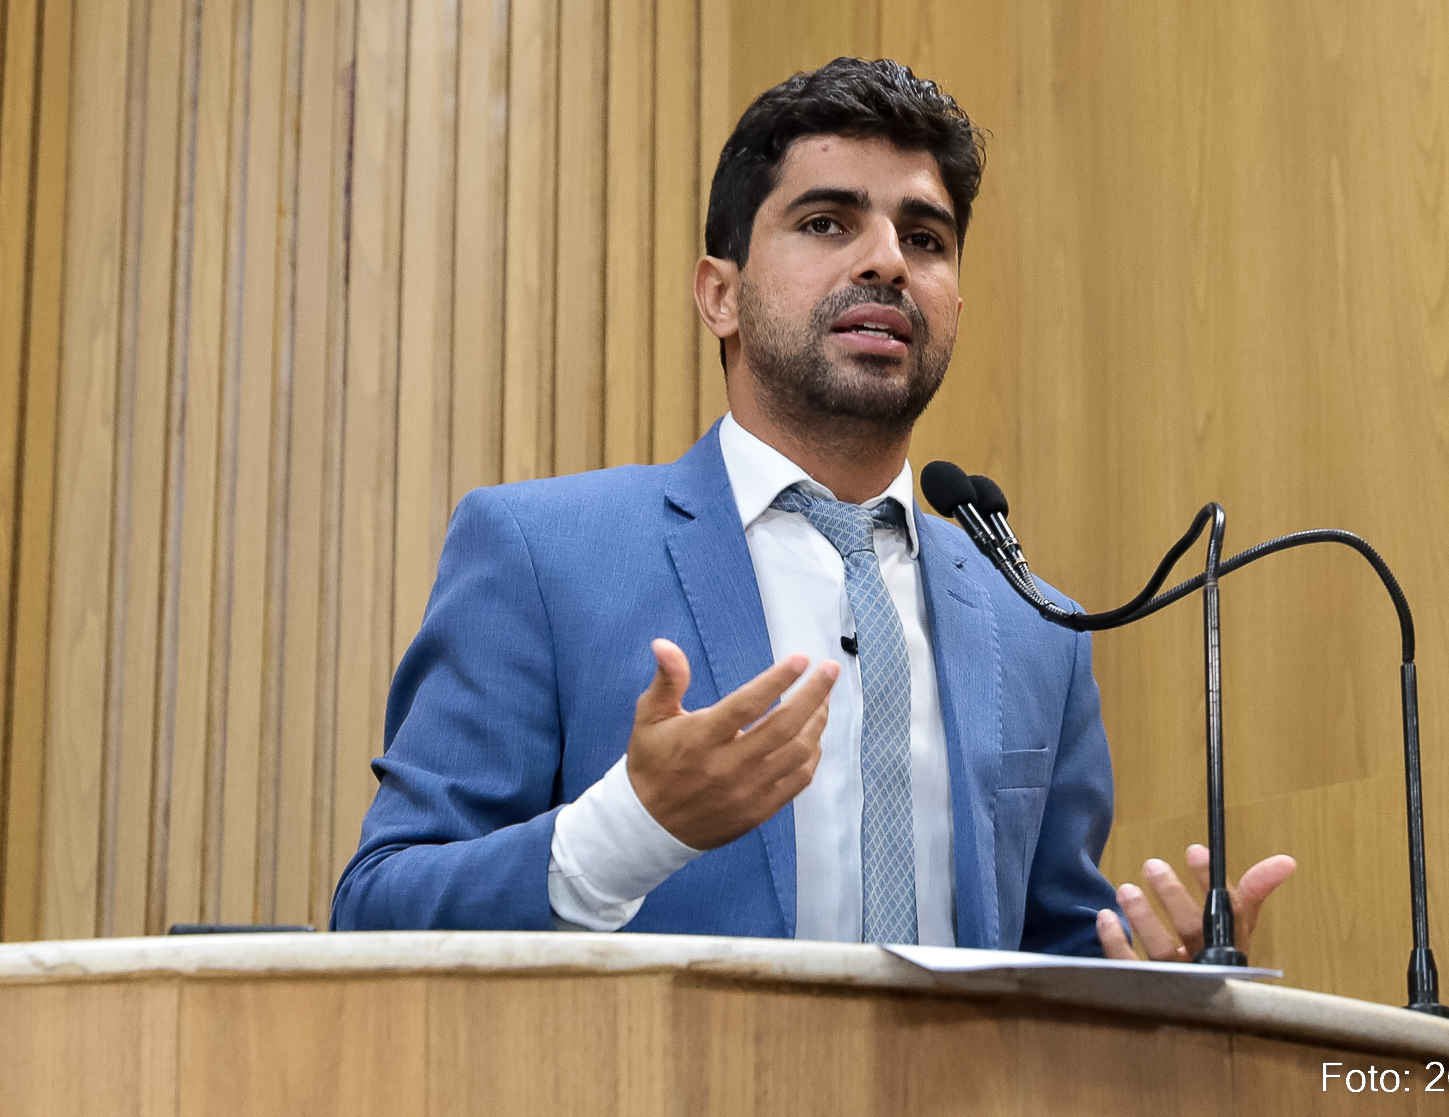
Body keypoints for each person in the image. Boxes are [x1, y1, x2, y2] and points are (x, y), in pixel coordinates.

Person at [332, 57, 1294, 958]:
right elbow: (377, 911)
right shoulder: (540, 555)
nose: (887, 261)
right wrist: (628, 830)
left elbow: (1048, 960)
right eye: (828, 223)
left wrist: (1152, 980)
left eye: (926, 239)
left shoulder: (1038, 628)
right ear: (721, 295)